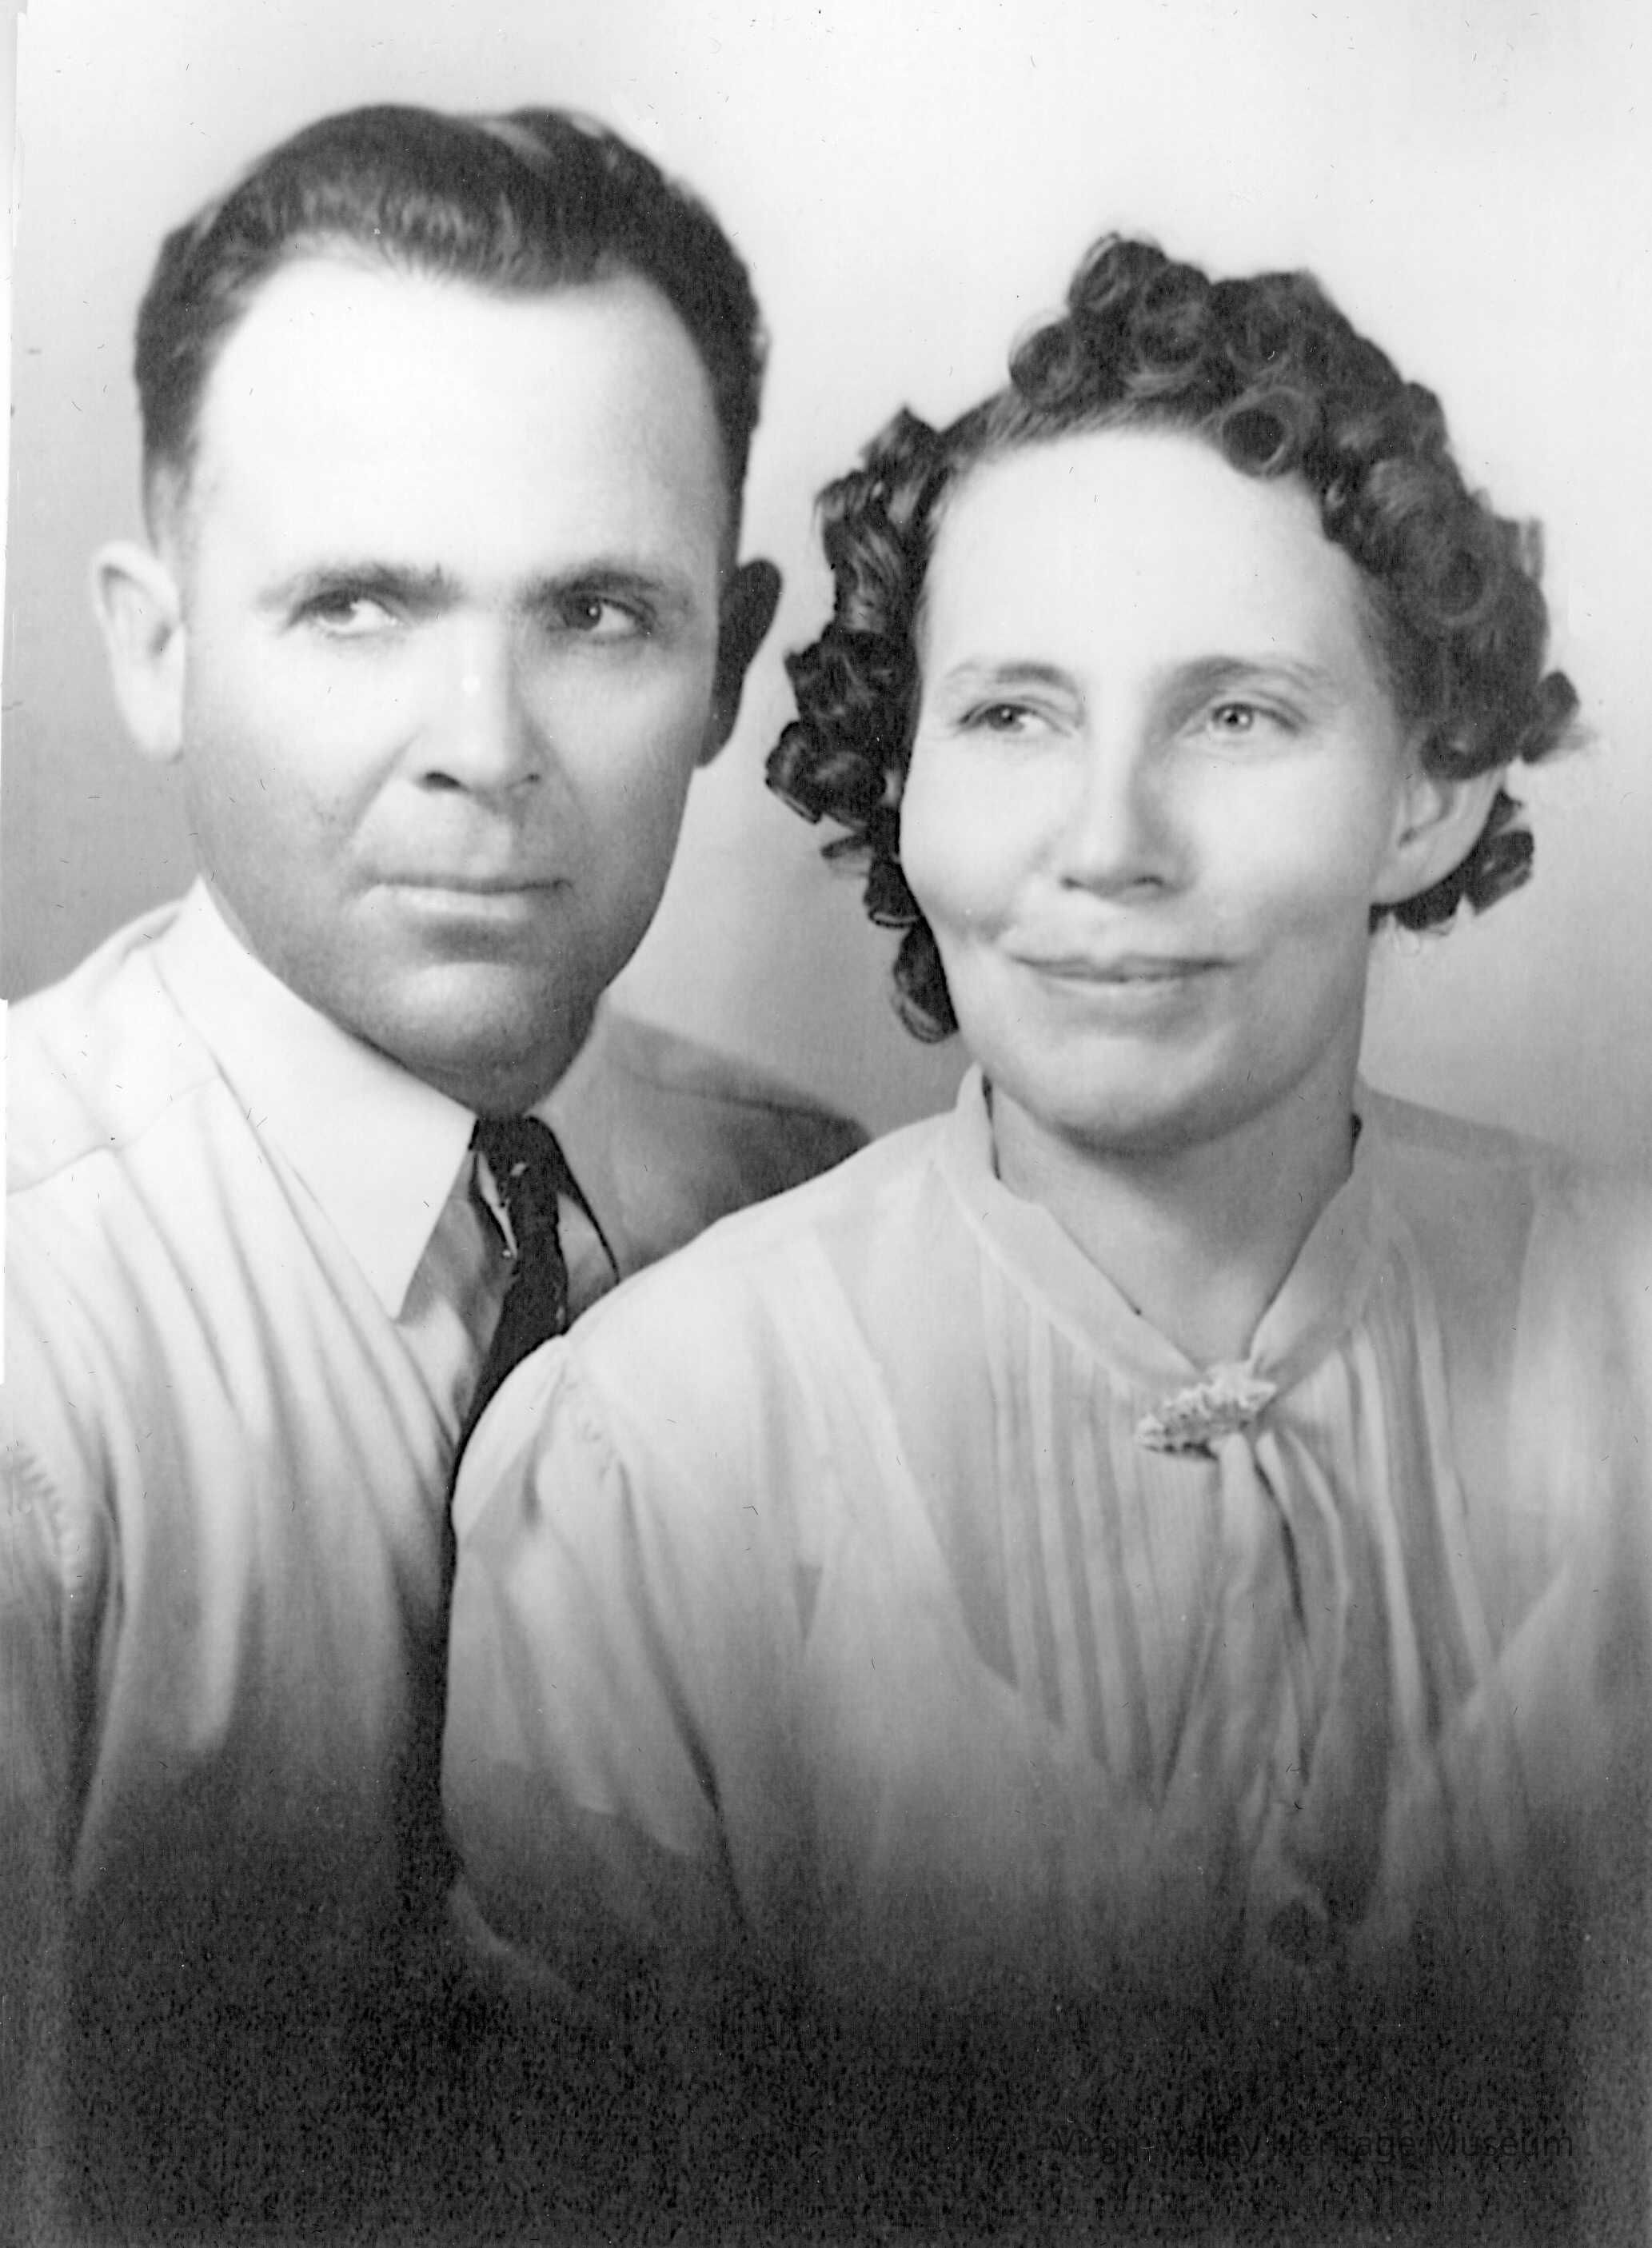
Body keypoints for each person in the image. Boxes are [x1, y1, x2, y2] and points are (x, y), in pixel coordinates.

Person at [443, 237, 1650, 2231]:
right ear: (902, 780)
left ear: (1429, 790)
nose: (1107, 841)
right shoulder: (650, 1458)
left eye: (1237, 714)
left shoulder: (1626, 1341)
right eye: (1011, 714)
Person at [0, 102, 862, 2234]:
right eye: (359, 604)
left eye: (597, 612)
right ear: (156, 645)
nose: (484, 740)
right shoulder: (29, 1324)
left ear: (729, 660)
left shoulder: (811, 1219)